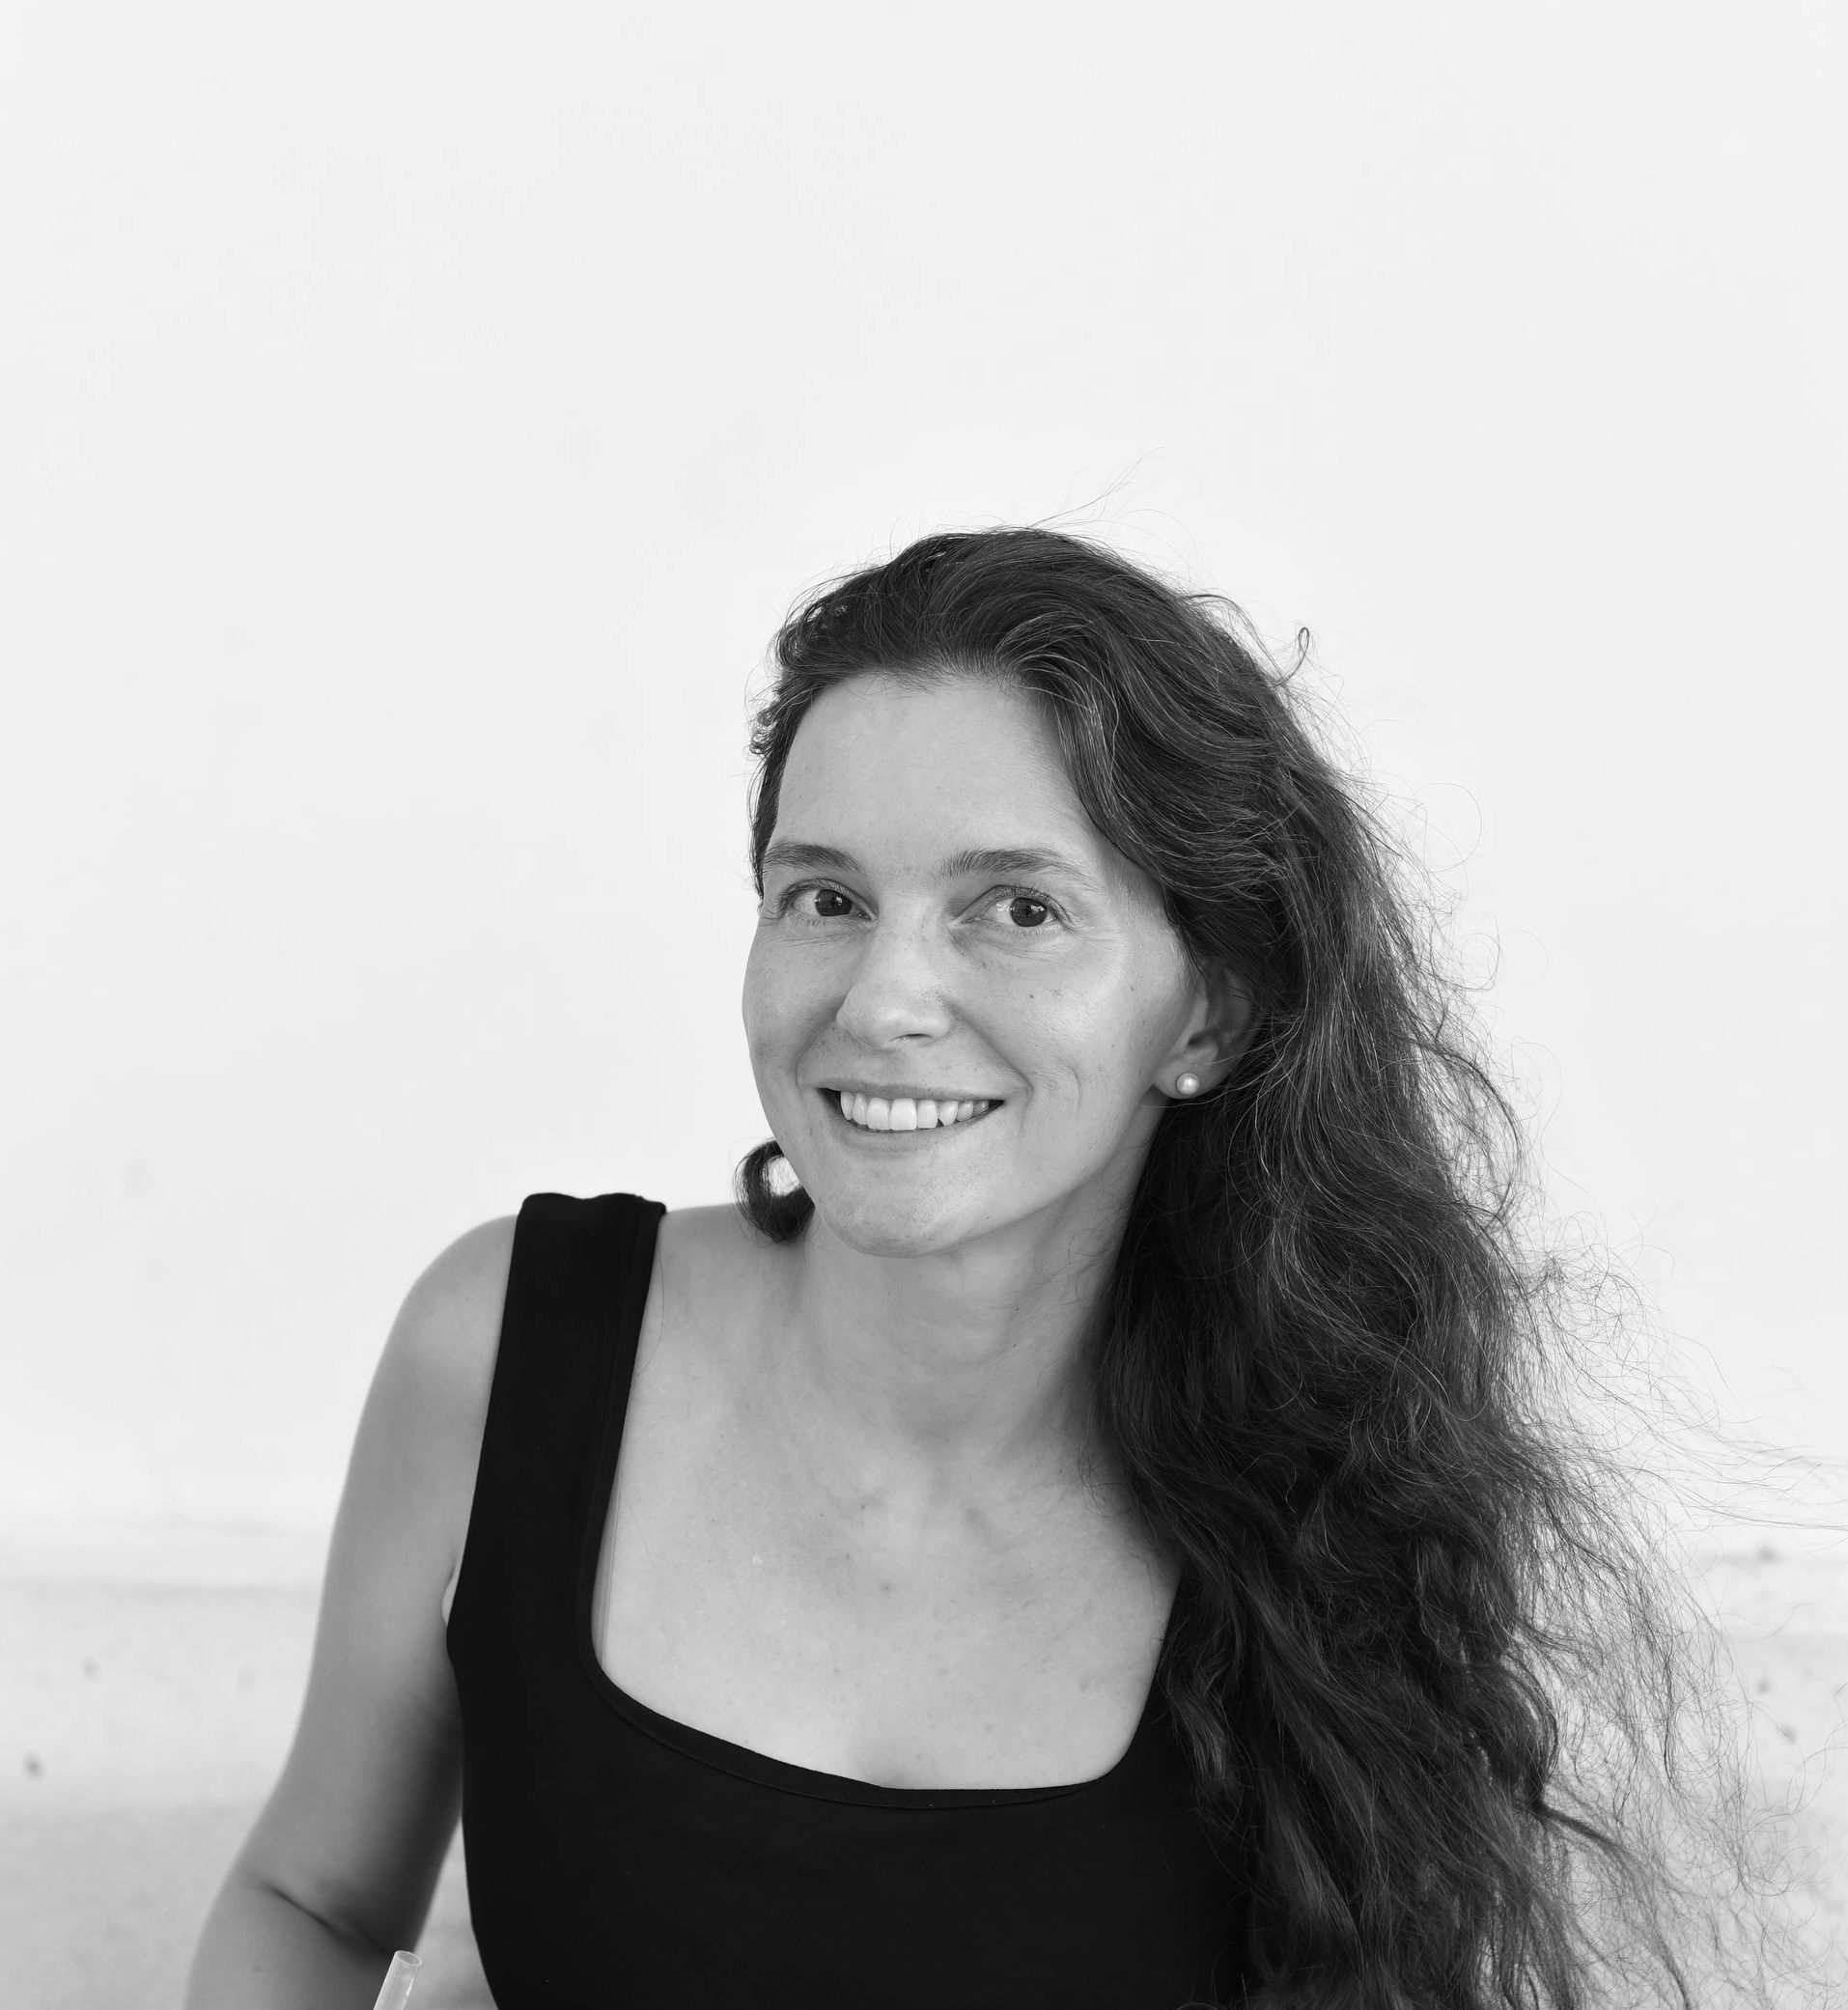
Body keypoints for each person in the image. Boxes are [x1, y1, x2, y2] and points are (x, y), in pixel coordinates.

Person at [185, 528, 1810, 2010]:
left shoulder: (1330, 1514)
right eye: (823, 895)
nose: (884, 997)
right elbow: (312, 1896)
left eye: (1015, 909)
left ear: (1206, 1013)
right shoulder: (501, 1349)